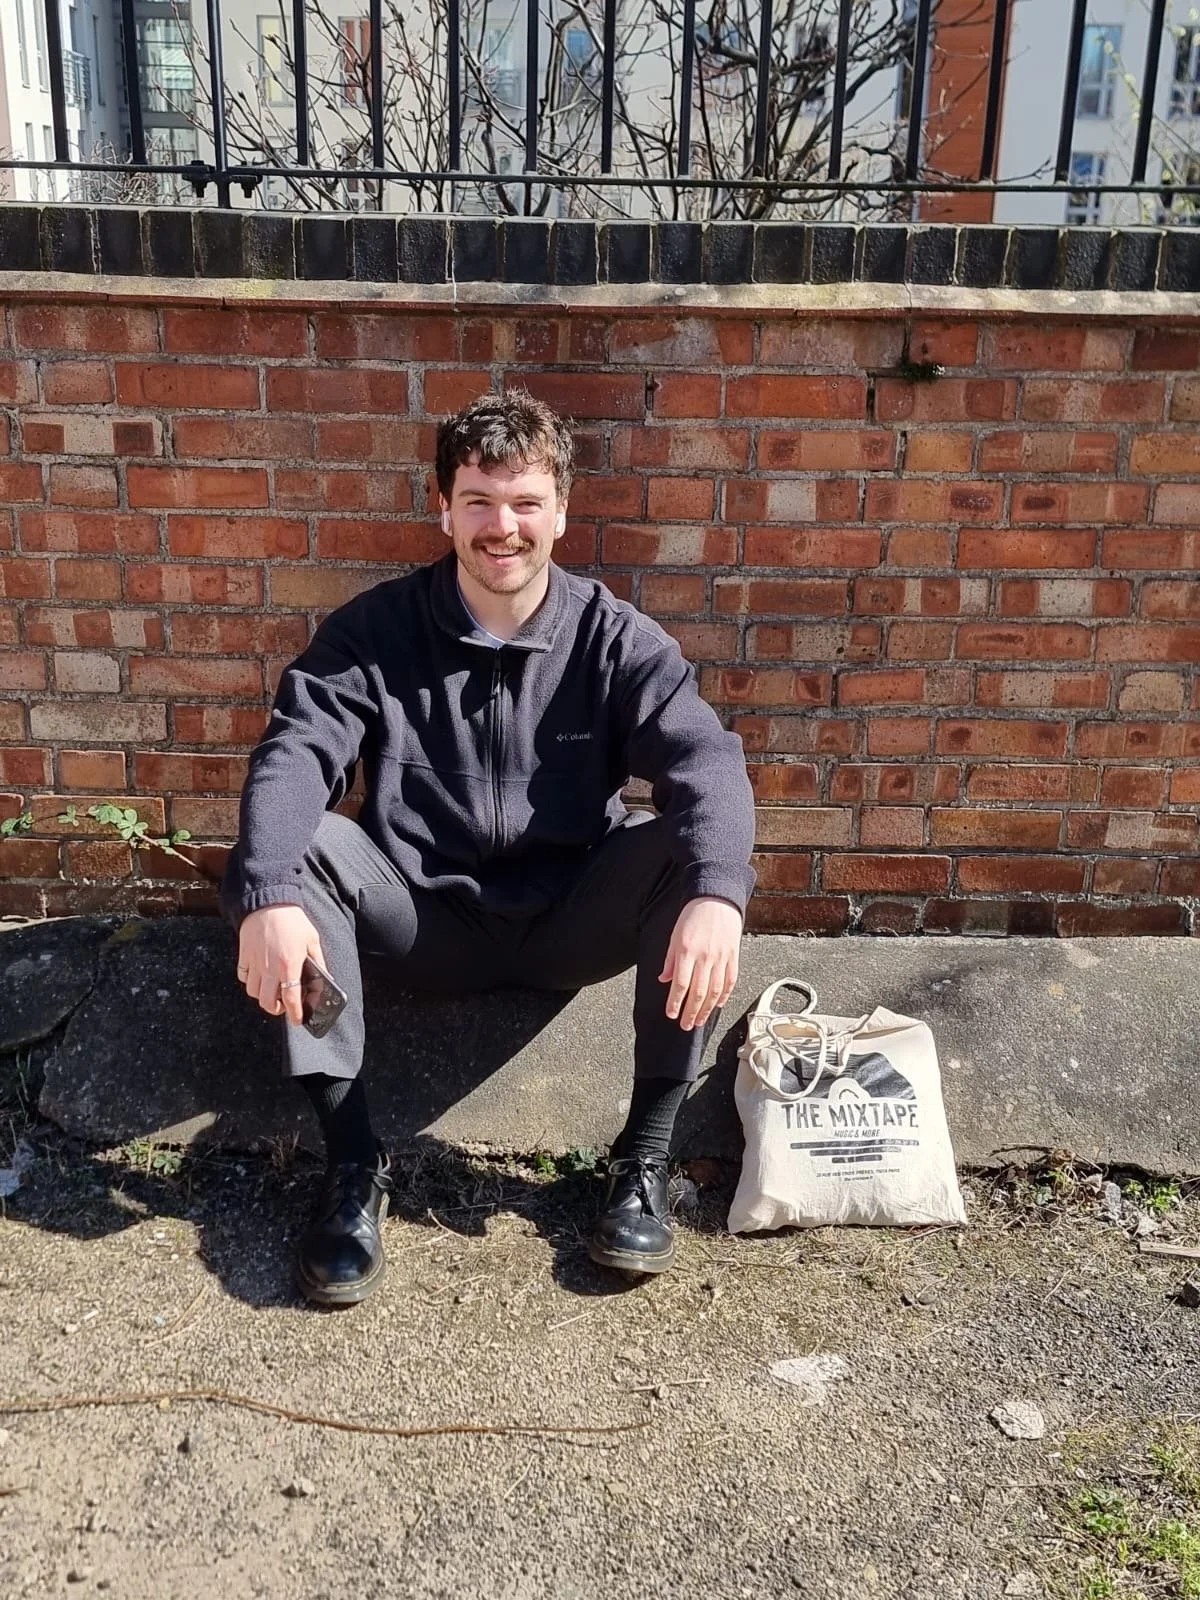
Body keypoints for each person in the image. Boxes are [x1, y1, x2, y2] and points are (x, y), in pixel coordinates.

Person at [221, 389, 756, 1306]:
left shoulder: (614, 640)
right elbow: (295, 754)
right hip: (424, 921)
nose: (500, 527)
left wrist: (716, 890)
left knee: (691, 852)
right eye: (479, 501)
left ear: (559, 511)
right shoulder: (375, 633)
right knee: (297, 846)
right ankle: (353, 1167)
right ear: (444, 508)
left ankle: (642, 1160)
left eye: (524, 502)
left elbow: (704, 758)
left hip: (567, 922)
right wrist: (267, 889)